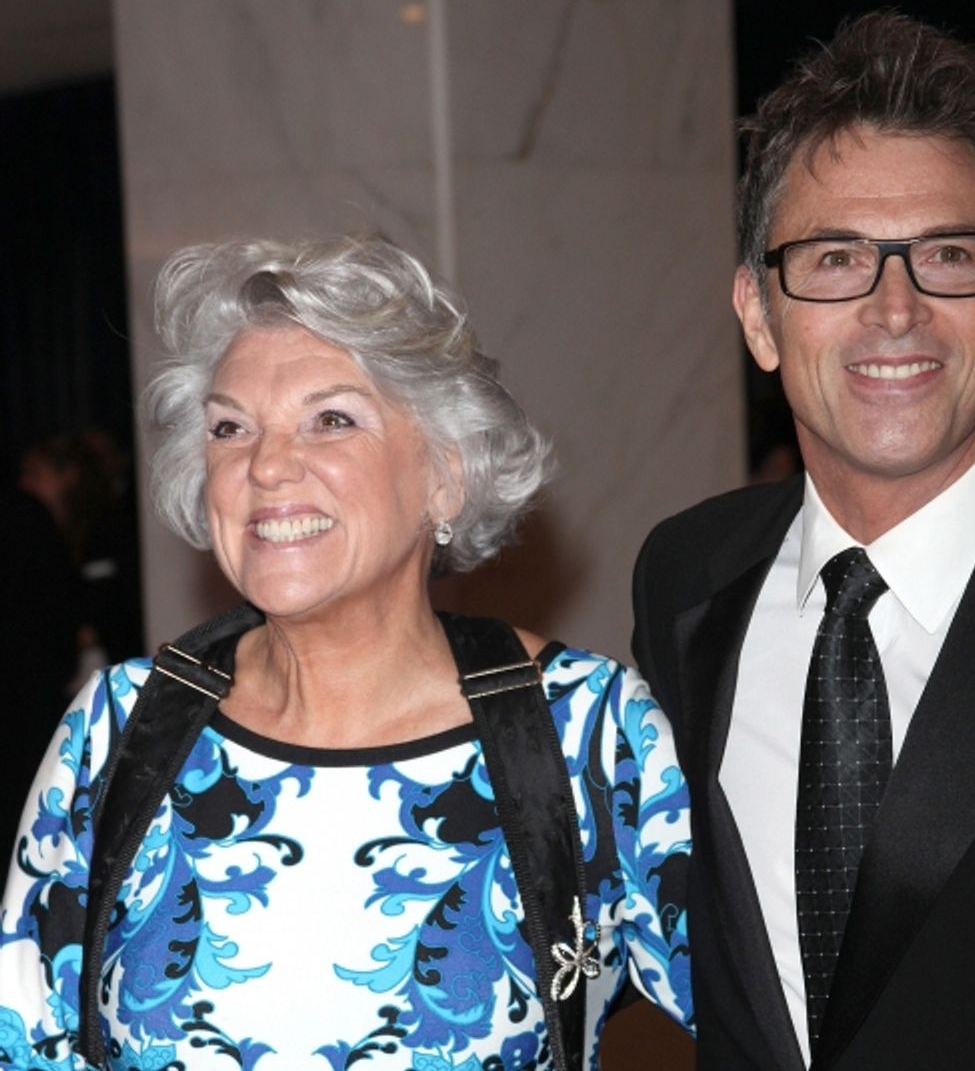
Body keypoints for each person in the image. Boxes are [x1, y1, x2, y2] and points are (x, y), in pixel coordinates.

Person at [632, 10, 975, 1071]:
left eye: (949, 254)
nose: (897, 310)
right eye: (838, 258)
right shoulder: (684, 578)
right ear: (759, 314)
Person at [0, 236, 691, 1070]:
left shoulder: (590, 733)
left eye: (331, 419)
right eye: (230, 427)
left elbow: (775, 1028)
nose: (265, 465)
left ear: (446, 473)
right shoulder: (115, 729)